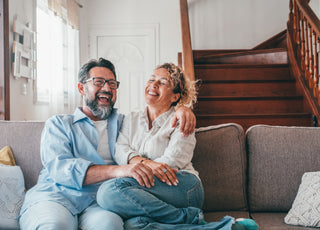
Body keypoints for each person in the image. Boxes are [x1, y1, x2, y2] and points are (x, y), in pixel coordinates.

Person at [19, 58, 196, 230]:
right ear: (81, 87)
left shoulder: (123, 122)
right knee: (55, 226)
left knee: (110, 226)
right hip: (56, 197)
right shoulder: (58, 124)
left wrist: (183, 109)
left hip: (99, 203)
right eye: (98, 82)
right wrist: (120, 170)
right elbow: (61, 168)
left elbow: (159, 111)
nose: (107, 88)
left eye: (112, 84)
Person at [96, 63, 259, 230]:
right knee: (134, 225)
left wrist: (138, 167)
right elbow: (120, 149)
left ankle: (190, 217)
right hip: (147, 189)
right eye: (151, 79)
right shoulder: (131, 118)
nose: (153, 84)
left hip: (181, 185)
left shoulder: (182, 119)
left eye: (162, 82)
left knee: (108, 191)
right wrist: (146, 164)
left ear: (175, 97)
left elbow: (172, 162)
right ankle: (227, 228)